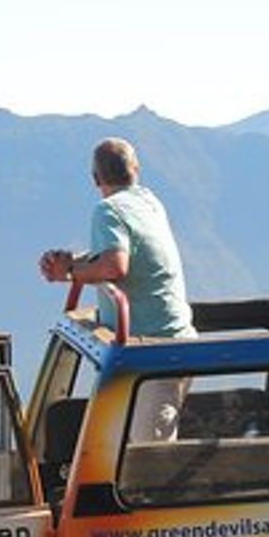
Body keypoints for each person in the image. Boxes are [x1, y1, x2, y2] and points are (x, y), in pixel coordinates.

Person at [39, 137, 195, 442]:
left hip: (152, 350)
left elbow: (115, 267)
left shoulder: (107, 210)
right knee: (130, 446)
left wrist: (68, 272)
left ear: (96, 179)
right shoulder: (149, 201)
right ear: (135, 170)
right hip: (173, 343)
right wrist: (75, 261)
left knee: (148, 457)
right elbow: (124, 255)